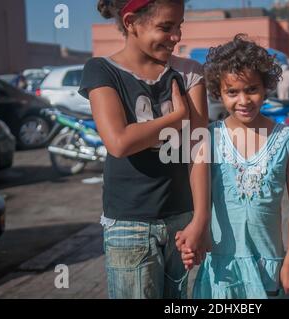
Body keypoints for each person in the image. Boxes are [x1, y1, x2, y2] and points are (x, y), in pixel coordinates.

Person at [78, 0, 211, 299]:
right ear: (130, 23)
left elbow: (199, 148)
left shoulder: (189, 72)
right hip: (129, 225)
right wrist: (177, 118)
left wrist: (201, 219)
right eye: (165, 27)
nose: (176, 36)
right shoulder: (101, 70)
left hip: (182, 220)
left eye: (179, 26)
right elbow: (120, 142)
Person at [177, 35, 289, 299]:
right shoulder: (209, 138)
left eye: (251, 89)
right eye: (232, 92)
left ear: (266, 87)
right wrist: (194, 234)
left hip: (269, 271)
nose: (243, 100)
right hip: (222, 273)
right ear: (218, 92)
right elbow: (197, 200)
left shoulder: (285, 139)